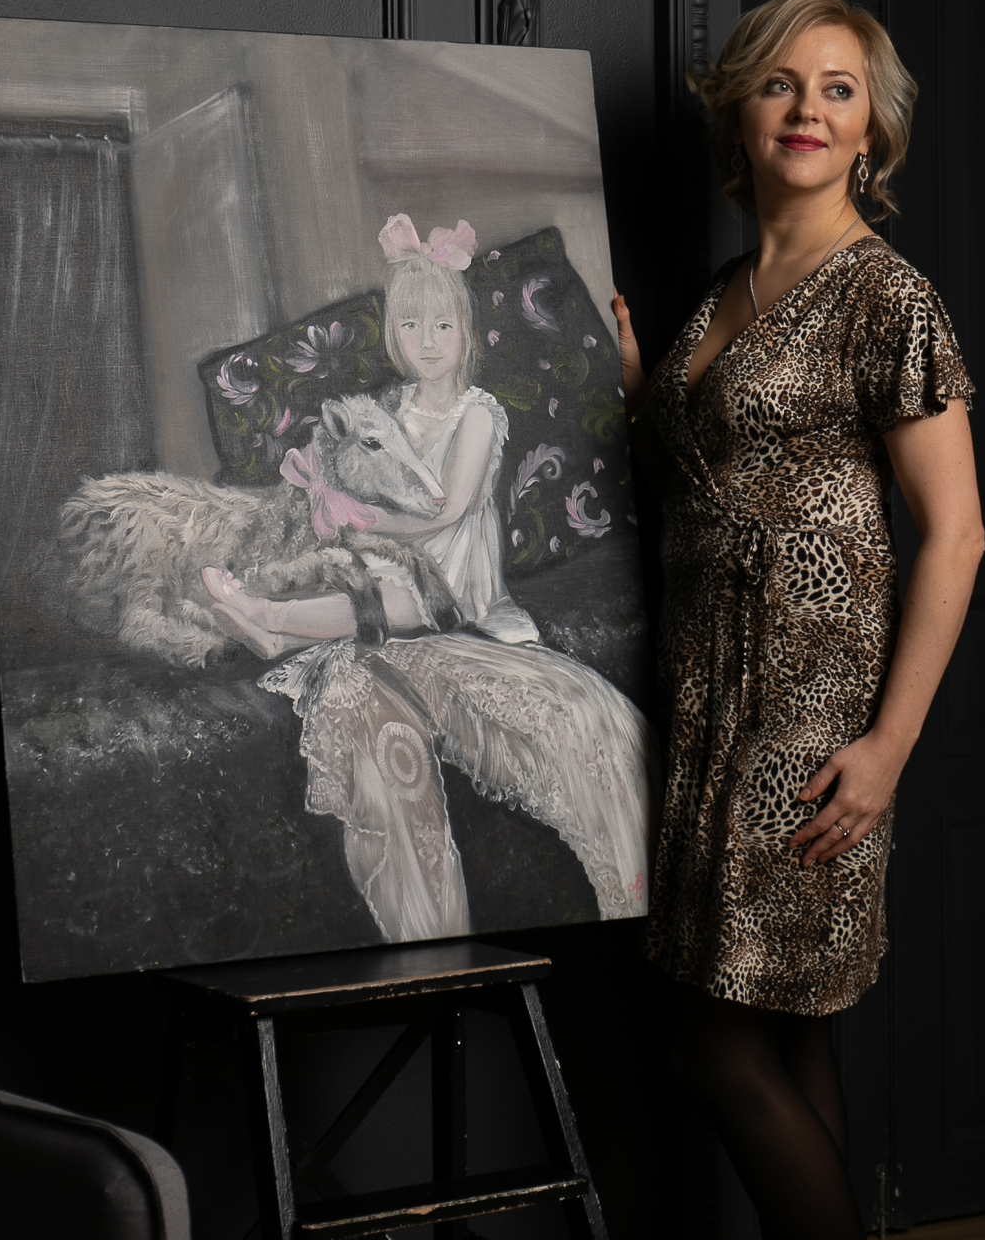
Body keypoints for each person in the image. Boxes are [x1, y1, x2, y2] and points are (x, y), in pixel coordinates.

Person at [611, 0, 984, 1240]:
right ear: (739, 115)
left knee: (713, 1042)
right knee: (785, 1035)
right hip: (707, 699)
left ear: (871, 128)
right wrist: (634, 388)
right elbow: (697, 483)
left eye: (836, 88)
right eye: (779, 84)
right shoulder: (721, 294)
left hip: (813, 717)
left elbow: (954, 533)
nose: (807, 109)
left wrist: (888, 745)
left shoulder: (887, 295)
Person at [202, 218, 652, 944]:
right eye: (412, 327)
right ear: (394, 337)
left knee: (407, 600)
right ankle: (271, 624)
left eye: (443, 325)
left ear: (466, 334)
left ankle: (272, 622)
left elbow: (447, 509)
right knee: (369, 592)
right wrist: (331, 501)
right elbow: (361, 473)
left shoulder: (477, 415)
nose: (429, 341)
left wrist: (365, 520)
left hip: (456, 577)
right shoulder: (387, 409)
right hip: (393, 561)